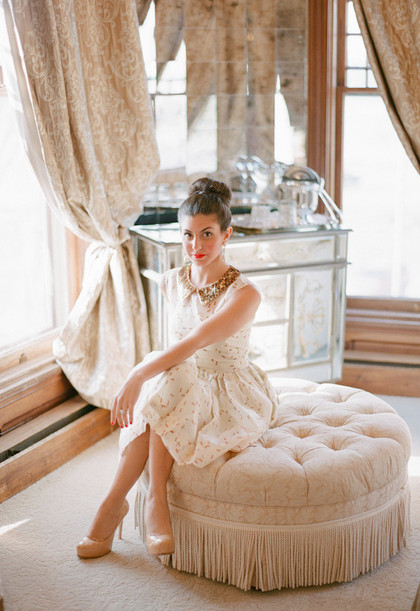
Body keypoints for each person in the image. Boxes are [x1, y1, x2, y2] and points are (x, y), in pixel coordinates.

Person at [76, 177, 278, 559]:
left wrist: (137, 375)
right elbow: (177, 355)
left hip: (227, 391)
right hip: (180, 380)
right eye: (188, 235)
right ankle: (128, 503)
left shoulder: (245, 294)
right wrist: (148, 372)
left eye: (207, 234)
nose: (196, 246)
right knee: (176, 372)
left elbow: (194, 342)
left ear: (226, 234)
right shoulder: (171, 281)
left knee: (172, 370)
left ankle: (132, 503)